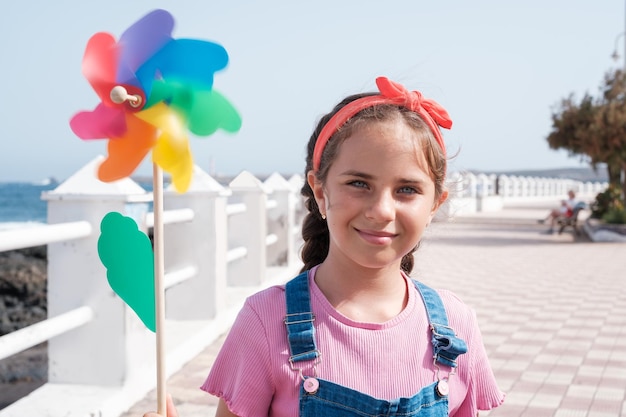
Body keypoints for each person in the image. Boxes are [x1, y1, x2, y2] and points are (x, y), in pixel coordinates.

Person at [144, 76, 505, 417]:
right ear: (320, 192)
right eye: (359, 183)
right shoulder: (266, 321)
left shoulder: (455, 325)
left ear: (434, 205)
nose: (381, 210)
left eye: (407, 190)